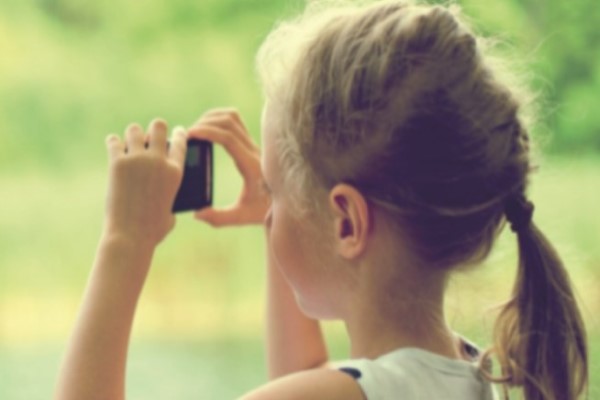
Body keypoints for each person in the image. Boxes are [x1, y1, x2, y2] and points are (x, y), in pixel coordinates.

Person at [54, 1, 588, 399]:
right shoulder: (465, 371)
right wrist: (278, 214)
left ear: (347, 223)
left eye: (274, 192)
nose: (268, 207)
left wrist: (124, 244)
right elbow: (310, 374)